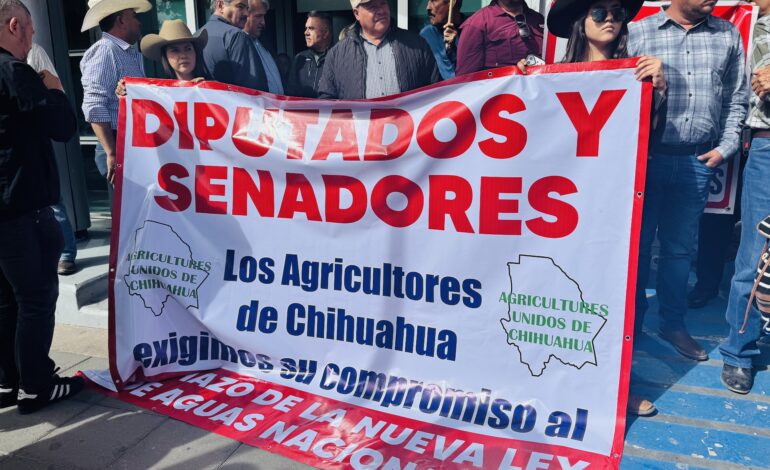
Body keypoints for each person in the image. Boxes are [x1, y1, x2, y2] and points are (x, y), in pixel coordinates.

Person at [540, 0, 665, 418]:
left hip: (617, 208)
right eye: (599, 11)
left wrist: (658, 92)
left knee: (619, 299)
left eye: (617, 10)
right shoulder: (550, 76)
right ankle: (555, 383)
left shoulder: (638, 72)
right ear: (581, 22)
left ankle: (618, 388)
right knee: (562, 298)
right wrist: (522, 84)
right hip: (563, 211)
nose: (611, 17)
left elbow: (651, 139)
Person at [628, 0, 748, 366]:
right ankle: (628, 331)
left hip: (698, 160)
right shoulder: (637, 33)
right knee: (636, 250)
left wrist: (725, 147)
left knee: (680, 251)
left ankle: (672, 324)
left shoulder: (727, 34)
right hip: (644, 162)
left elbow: (736, 97)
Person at [0, 0, 83, 414]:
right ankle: (35, 384)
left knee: (7, 299)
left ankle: (7, 380)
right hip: (22, 209)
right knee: (35, 298)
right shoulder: (15, 71)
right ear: (15, 26)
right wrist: (53, 88)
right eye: (31, 31)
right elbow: (63, 127)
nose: (32, 40)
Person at [719, 0, 770, 394]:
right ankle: (740, 351)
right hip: (768, 146)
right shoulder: (751, 28)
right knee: (754, 253)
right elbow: (743, 89)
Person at [80, 0, 151, 185]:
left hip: (128, 141)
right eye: (134, 16)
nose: (139, 22)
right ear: (121, 21)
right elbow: (93, 104)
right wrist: (111, 151)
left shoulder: (122, 52)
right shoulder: (105, 51)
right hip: (118, 142)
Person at [318, 0, 440, 100]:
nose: (381, 10)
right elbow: (327, 102)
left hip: (409, 129)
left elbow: (436, 91)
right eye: (372, 6)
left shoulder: (417, 44)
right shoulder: (336, 55)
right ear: (357, 13)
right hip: (361, 129)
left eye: (383, 3)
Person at [26, 43, 78, 276]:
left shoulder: (33, 50)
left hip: (33, 135)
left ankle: (66, 253)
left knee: (52, 198)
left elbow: (57, 89)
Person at [455, 0, 543, 76]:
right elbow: (465, 80)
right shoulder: (476, 24)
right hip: (503, 94)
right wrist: (514, 73)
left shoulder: (539, 20)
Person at [200, 0, 267, 90]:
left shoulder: (196, 35)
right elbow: (254, 90)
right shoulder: (236, 36)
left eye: (247, 8)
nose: (246, 13)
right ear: (220, 5)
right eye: (240, 7)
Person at [288, 11, 332, 98]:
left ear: (325, 33)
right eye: (306, 28)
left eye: (311, 28)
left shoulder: (337, 58)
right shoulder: (299, 59)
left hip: (327, 111)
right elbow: (290, 94)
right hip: (302, 111)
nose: (306, 33)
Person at [421, 0, 465, 80]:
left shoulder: (472, 32)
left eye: (434, 1)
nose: (428, 7)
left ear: (453, 3)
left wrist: (454, 49)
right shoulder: (427, 35)